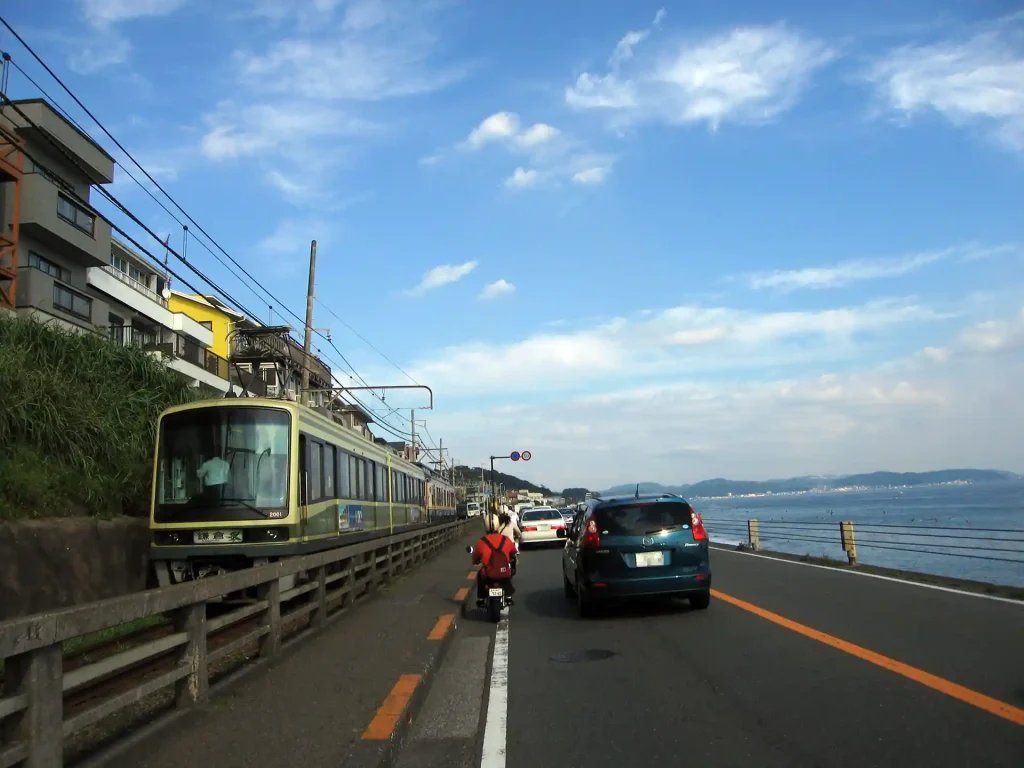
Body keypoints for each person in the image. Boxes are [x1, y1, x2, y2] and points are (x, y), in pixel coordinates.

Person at [472, 512, 518, 606]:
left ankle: (481, 598)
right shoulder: (505, 540)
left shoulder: (481, 542)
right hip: (503, 570)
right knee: (507, 577)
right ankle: (508, 597)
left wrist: (476, 561)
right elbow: (513, 552)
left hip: (488, 572)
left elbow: (475, 558)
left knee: (480, 577)